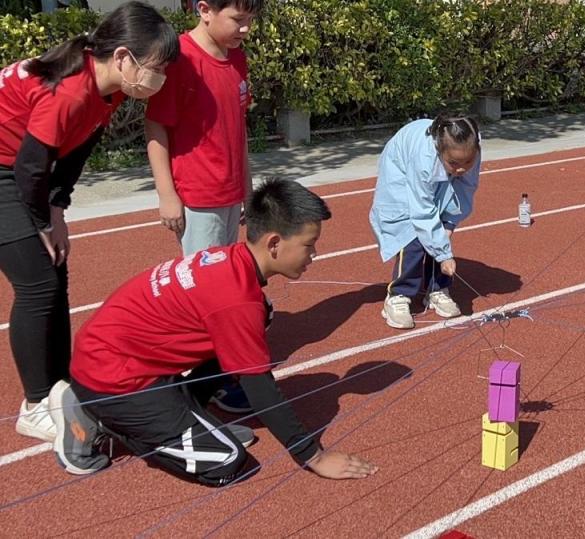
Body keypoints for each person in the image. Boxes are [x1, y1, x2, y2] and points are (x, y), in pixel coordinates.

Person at [50, 178, 379, 485]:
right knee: (227, 462)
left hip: (118, 358)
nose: (313, 255)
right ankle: (99, 417)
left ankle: (185, 417)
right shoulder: (235, 299)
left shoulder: (228, 259)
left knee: (260, 315)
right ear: (274, 243)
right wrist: (313, 456)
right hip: (111, 380)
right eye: (309, 245)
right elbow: (260, 386)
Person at [0, 1, 178, 442]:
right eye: (156, 68)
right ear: (123, 57)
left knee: (54, 275)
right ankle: (36, 404)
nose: (161, 79)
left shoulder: (110, 88)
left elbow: (75, 151)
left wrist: (58, 209)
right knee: (38, 283)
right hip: (9, 170)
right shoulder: (72, 90)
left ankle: (59, 390)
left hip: (20, 167)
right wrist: (44, 223)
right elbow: (29, 169)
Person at [146, 0, 262, 413]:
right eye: (238, 20)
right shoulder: (181, 60)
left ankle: (213, 370)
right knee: (201, 291)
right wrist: (167, 193)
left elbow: (239, 125)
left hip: (230, 193)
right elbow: (156, 125)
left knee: (224, 285)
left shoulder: (236, 59)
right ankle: (197, 380)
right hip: (197, 196)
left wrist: (246, 183)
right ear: (204, 10)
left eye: (250, 21)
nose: (245, 29)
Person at [370, 114, 481, 329]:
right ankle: (398, 296)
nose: (462, 168)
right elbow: (422, 212)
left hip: (433, 166)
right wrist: (443, 253)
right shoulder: (423, 160)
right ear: (439, 152)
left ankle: (437, 289)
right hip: (401, 170)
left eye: (468, 162)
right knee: (411, 235)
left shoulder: (470, 145)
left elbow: (465, 189)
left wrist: (449, 223)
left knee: (440, 226)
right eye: (454, 163)